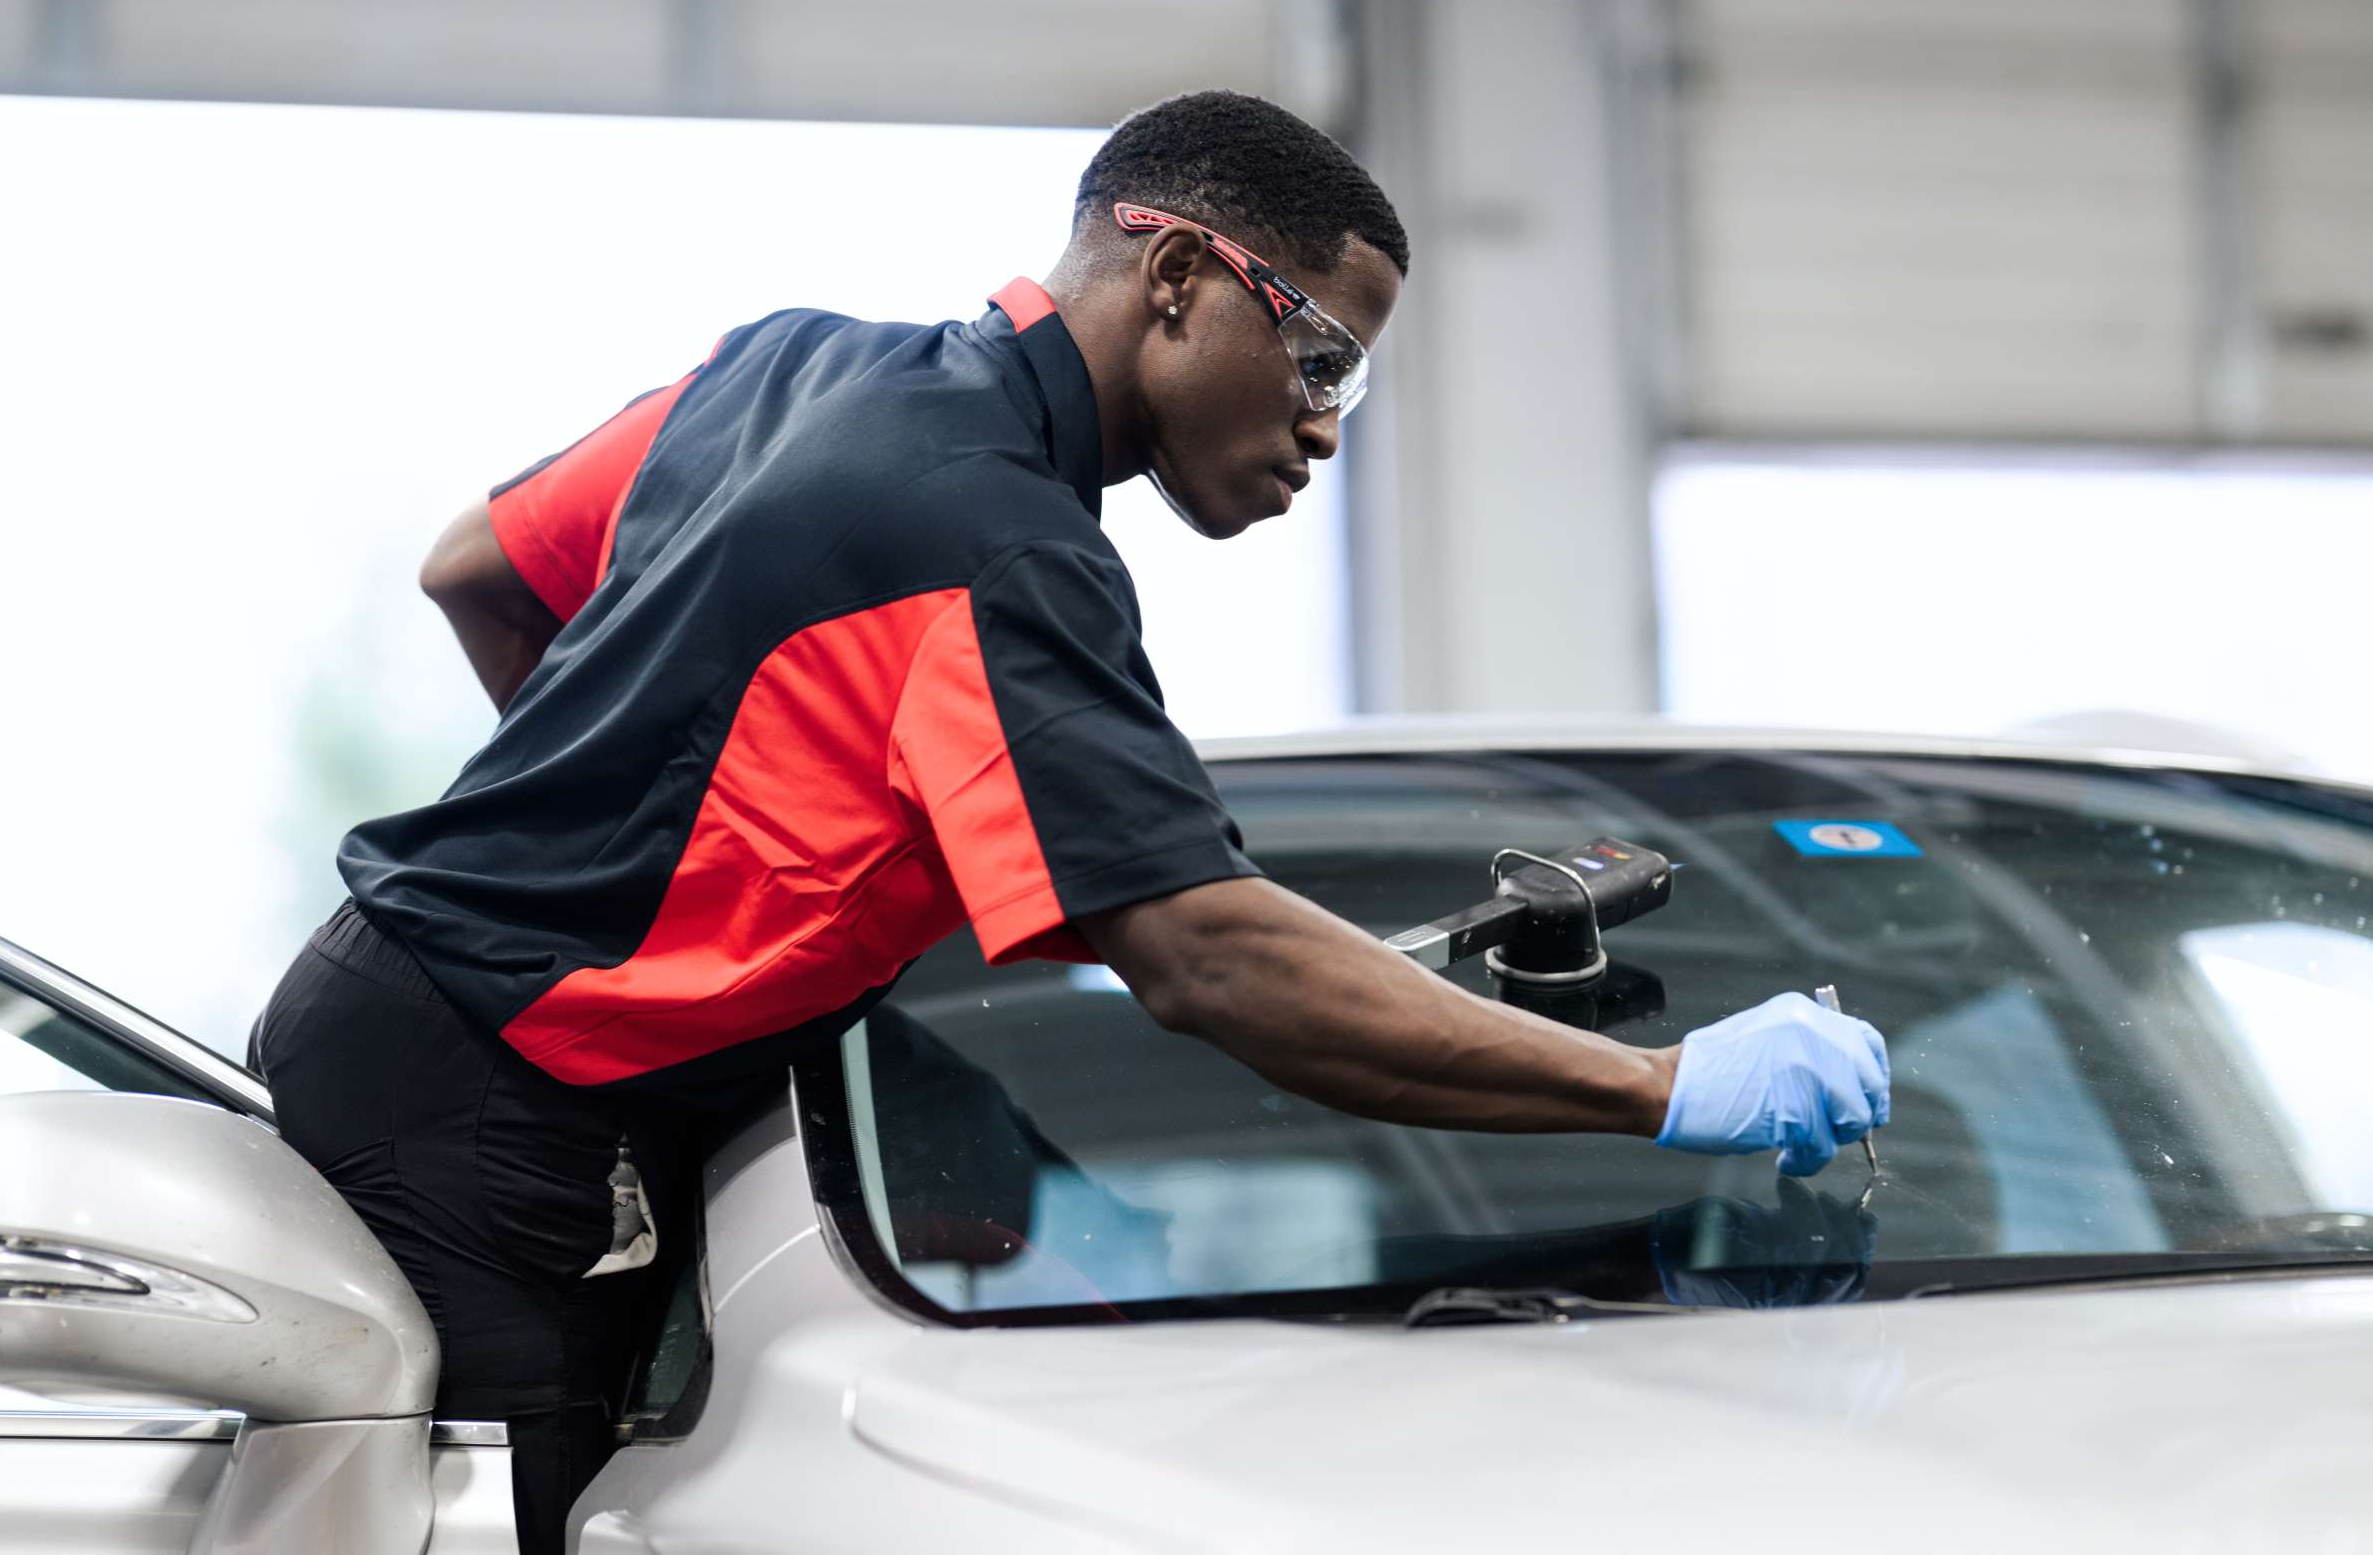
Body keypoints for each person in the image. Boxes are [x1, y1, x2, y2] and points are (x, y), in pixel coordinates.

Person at [253, 88, 1889, 1553]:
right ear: (1175, 280)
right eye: (1324, 356)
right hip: (493, 1109)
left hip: (406, 1018)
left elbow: (477, 562)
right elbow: (1213, 961)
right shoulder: (1003, 547)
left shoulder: (786, 362)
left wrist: (638, 827)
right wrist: (1672, 1091)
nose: (1325, 427)